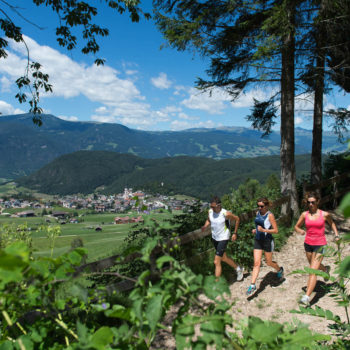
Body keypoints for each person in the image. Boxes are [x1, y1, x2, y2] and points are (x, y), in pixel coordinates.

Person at [294, 192, 340, 306]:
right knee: (313, 266)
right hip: (308, 244)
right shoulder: (304, 214)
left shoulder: (324, 214)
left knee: (312, 271)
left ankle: (307, 297)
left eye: (313, 202)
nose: (310, 204)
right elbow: (296, 226)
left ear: (318, 202)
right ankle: (325, 270)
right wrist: (299, 230)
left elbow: (332, 224)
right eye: (309, 202)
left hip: (320, 244)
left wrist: (337, 235)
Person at [246, 197, 284, 296]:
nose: (259, 208)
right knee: (257, 263)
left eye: (262, 206)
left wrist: (264, 230)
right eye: (258, 206)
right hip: (258, 240)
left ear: (266, 206)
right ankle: (253, 285)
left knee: (269, 262)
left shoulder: (270, 215)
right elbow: (257, 225)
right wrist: (256, 230)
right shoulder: (257, 213)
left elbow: (276, 230)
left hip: (267, 241)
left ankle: (279, 270)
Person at [201, 196, 244, 281]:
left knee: (216, 261)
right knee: (224, 258)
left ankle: (216, 284)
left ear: (219, 205)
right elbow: (209, 220)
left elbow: (237, 219)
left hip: (223, 238)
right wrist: (205, 226)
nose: (211, 208)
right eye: (211, 206)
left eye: (213, 207)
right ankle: (238, 269)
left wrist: (235, 233)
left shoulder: (226, 214)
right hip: (215, 238)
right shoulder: (210, 211)